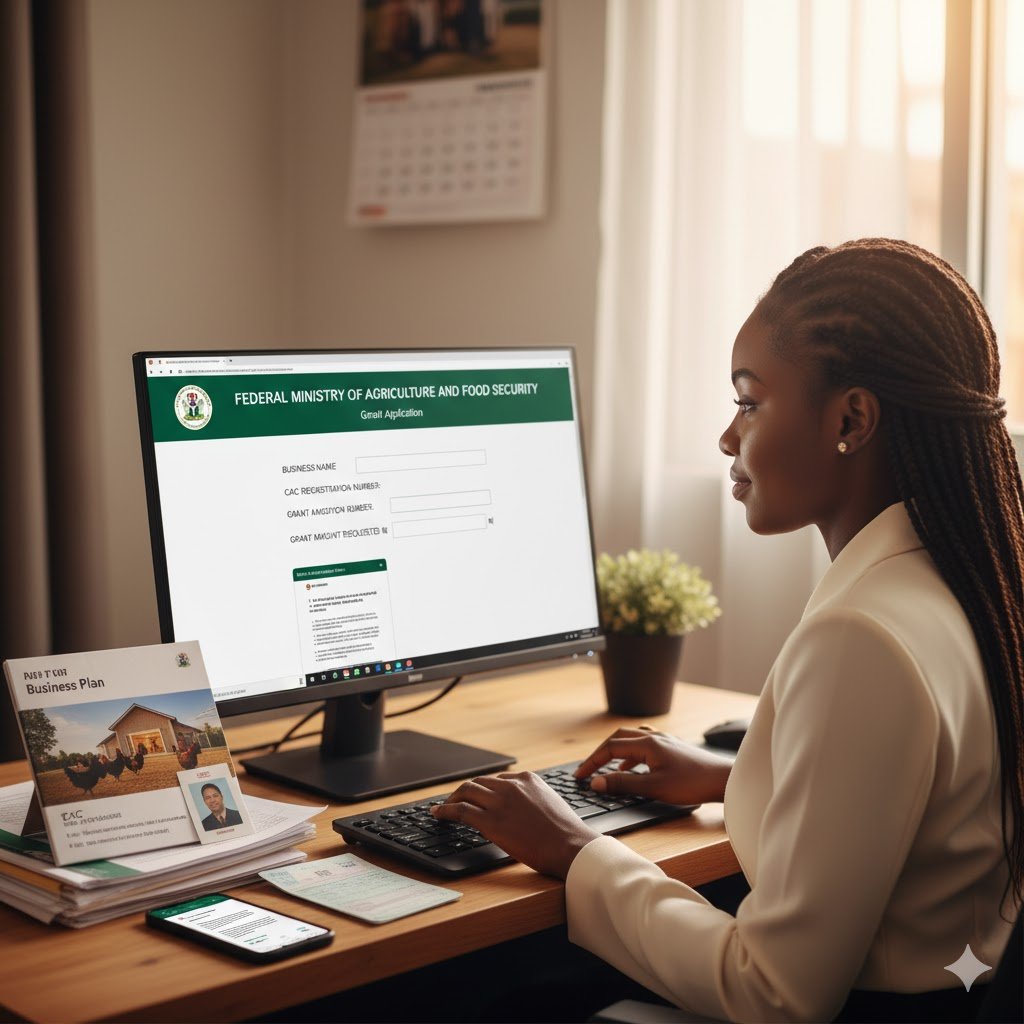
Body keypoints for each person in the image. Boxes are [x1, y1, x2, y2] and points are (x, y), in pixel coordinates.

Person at [433, 239, 1024, 1022]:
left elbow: (772, 992)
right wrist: (736, 776)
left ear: (851, 419)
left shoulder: (862, 638)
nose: (726, 437)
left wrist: (573, 850)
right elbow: (931, 809)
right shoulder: (972, 582)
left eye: (749, 402)